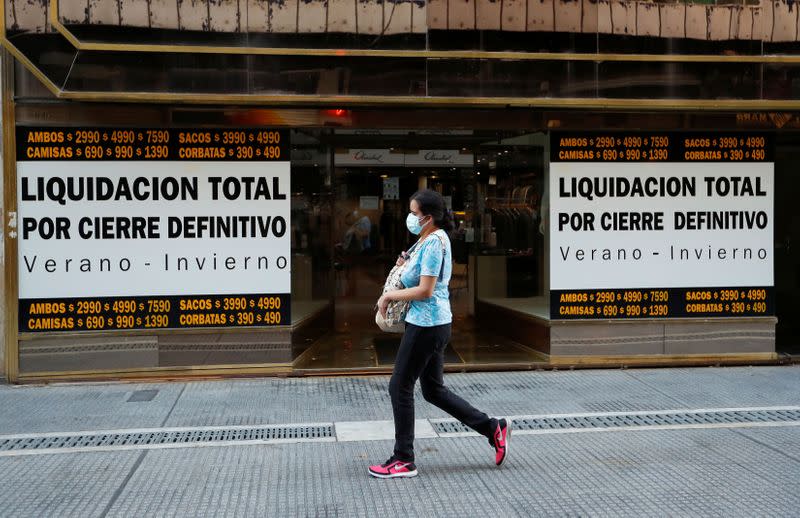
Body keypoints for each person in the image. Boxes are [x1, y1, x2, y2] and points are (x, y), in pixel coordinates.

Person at [370, 189, 510, 479]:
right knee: (433, 390)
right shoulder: (426, 239)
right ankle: (492, 427)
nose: (410, 217)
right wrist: (401, 267)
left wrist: (388, 297)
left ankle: (403, 460)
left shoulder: (435, 242)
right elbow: (416, 277)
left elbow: (426, 290)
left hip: (428, 324)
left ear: (428, 217)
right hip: (430, 323)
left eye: (414, 213)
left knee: (400, 386)